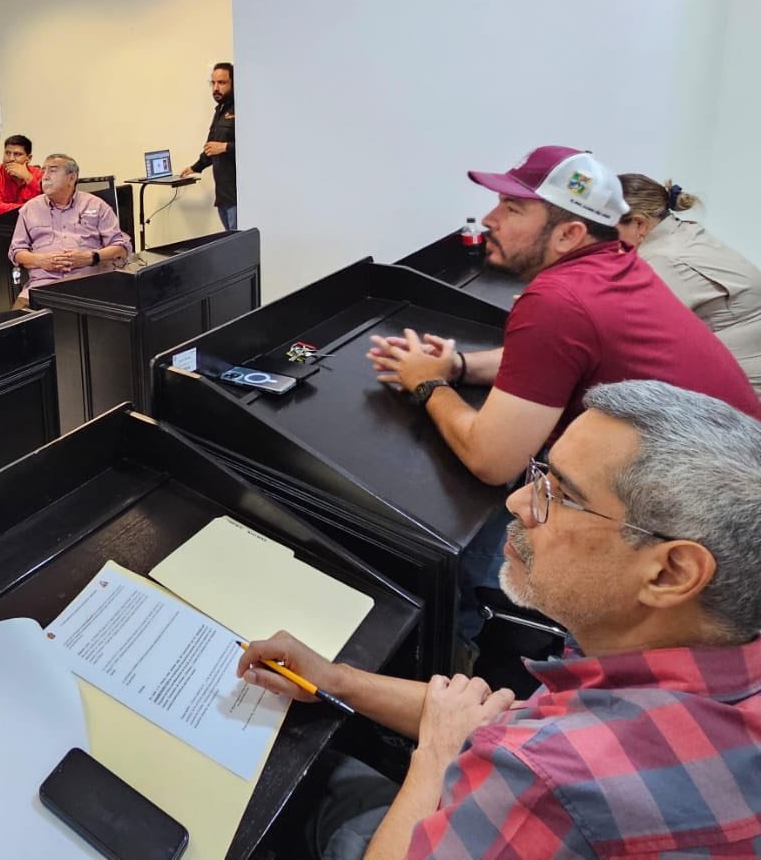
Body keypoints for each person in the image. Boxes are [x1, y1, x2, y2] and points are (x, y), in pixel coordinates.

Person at [237, 380, 761, 860]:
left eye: (563, 495)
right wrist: (339, 681)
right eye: (541, 475)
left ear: (670, 573)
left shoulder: (552, 783)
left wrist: (437, 755)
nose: (518, 501)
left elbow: (505, 744)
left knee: (315, 786)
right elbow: (501, 719)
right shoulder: (702, 653)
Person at [367, 146, 761, 488]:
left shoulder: (559, 300)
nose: (489, 218)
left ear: (569, 235)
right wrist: (457, 366)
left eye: (512, 209)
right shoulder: (620, 263)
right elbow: (549, 363)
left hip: (710, 508)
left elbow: (493, 462)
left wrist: (428, 383)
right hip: (731, 472)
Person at [618, 174, 761, 395]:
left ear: (639, 223)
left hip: (741, 393)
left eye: (606, 229)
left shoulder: (662, 260)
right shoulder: (684, 231)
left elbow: (630, 335)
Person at [7, 153, 132, 306]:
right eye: (44, 171)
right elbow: (16, 251)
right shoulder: (30, 209)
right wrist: (39, 260)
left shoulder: (96, 205)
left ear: (71, 178)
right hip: (42, 287)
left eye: (53, 170)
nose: (45, 176)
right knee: (18, 320)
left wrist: (90, 257)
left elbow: (122, 248)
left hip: (89, 285)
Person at [179, 61, 236, 230]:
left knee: (239, 243)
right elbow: (211, 147)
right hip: (223, 196)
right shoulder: (219, 111)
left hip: (238, 197)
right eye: (213, 83)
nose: (216, 88)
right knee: (229, 240)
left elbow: (255, 146)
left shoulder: (242, 109)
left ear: (234, 83)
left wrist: (225, 147)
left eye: (222, 83)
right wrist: (195, 167)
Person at [0, 134, 43, 220]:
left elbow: (48, 203)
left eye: (17, 154)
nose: (10, 159)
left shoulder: (37, 174)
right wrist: (30, 207)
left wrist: (28, 178)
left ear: (29, 158)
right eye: (7, 153)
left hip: (30, 223)